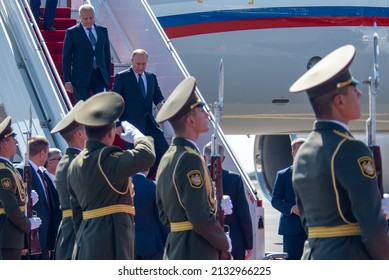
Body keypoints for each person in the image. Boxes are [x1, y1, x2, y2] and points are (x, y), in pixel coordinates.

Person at [289, 44, 389, 259]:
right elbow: (372, 226)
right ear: (340, 100)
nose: (361, 94)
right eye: (354, 89)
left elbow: (306, 219)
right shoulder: (350, 149)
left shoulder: (303, 152)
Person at [67, 91, 155, 260]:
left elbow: (77, 214)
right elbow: (147, 156)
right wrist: (139, 136)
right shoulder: (106, 159)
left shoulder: (75, 164)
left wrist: (84, 241)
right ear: (110, 133)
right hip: (112, 240)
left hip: (87, 240)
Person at [155, 76, 231, 260]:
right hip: (195, 250)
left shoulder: (169, 156)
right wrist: (224, 242)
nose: (206, 114)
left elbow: (164, 214)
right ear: (190, 120)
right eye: (201, 110)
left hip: (177, 247)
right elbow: (199, 216)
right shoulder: (190, 158)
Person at [112, 49, 169, 179]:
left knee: (164, 150)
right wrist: (117, 124)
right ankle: (138, 184)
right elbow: (114, 101)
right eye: (138, 63)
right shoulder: (122, 77)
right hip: (130, 126)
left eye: (144, 64)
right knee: (137, 158)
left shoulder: (151, 77)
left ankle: (147, 179)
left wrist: (161, 104)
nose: (141, 67)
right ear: (131, 61)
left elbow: (158, 96)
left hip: (149, 123)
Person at [202, 141, 253, 260]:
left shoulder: (199, 179)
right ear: (223, 159)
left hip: (206, 242)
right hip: (234, 241)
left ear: (204, 158)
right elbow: (243, 214)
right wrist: (248, 243)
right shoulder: (235, 179)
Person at [0, 117, 41, 259]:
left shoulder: (8, 167)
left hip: (12, 235)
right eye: (13, 138)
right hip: (7, 235)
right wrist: (28, 224)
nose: (17, 141)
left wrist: (27, 201)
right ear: (4, 143)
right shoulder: (3, 170)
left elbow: (15, 199)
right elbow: (10, 207)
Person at [50, 101, 87, 260]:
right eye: (87, 128)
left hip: (69, 229)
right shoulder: (79, 162)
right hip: (78, 230)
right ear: (79, 134)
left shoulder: (66, 161)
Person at [62, 3, 111, 102]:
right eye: (85, 19)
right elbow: (66, 58)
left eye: (91, 18)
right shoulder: (72, 32)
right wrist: (67, 80)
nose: (88, 21)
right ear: (80, 17)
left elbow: (107, 55)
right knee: (83, 108)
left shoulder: (103, 31)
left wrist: (107, 77)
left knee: (102, 105)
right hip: (80, 77)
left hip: (99, 75)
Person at [16, 135, 52, 260]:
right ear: (42, 153)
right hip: (29, 240)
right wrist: (23, 242)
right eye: (47, 153)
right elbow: (17, 210)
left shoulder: (39, 172)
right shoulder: (21, 170)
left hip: (41, 239)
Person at [271, 138, 307, 260]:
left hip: (313, 227)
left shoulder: (316, 173)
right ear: (293, 153)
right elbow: (275, 200)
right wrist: (292, 208)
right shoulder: (283, 175)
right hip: (292, 229)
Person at [133, 169, 169, 260]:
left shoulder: (123, 187)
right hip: (152, 245)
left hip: (129, 243)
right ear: (148, 168)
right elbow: (162, 218)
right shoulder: (153, 186)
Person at [42, 147, 62, 258]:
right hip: (52, 235)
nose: (63, 160)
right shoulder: (43, 179)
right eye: (60, 158)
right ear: (50, 162)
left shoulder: (63, 177)